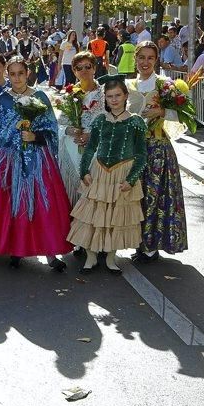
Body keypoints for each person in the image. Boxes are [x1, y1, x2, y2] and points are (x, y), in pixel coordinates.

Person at [0, 56, 71, 271]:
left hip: (38, 159)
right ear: (7, 75)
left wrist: (36, 137)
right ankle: (16, 250)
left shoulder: (39, 97)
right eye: (12, 74)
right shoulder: (3, 99)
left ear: (28, 73)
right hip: (10, 161)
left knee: (42, 205)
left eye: (20, 73)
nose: (17, 78)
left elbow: (51, 128)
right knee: (14, 205)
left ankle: (50, 253)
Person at [67, 79, 147, 273]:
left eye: (118, 95)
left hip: (122, 173)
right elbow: (90, 148)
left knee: (116, 217)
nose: (114, 100)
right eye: (110, 96)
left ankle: (111, 258)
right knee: (91, 215)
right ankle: (91, 256)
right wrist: (84, 171)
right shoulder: (100, 120)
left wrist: (131, 179)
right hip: (99, 172)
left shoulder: (135, 121)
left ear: (126, 95)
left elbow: (141, 154)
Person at [126, 41, 188, 261]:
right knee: (134, 197)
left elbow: (182, 116)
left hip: (158, 149)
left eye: (150, 58)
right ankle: (134, 241)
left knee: (156, 196)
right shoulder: (128, 84)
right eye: (141, 57)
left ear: (156, 60)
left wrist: (162, 111)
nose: (145, 62)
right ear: (135, 59)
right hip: (133, 149)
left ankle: (150, 246)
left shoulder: (165, 84)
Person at [56, 51, 105, 204]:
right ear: (74, 71)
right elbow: (60, 121)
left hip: (98, 149)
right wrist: (70, 130)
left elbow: (112, 120)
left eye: (87, 67)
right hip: (72, 147)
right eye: (79, 68)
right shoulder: (69, 94)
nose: (83, 71)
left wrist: (92, 135)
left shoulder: (105, 93)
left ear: (95, 69)